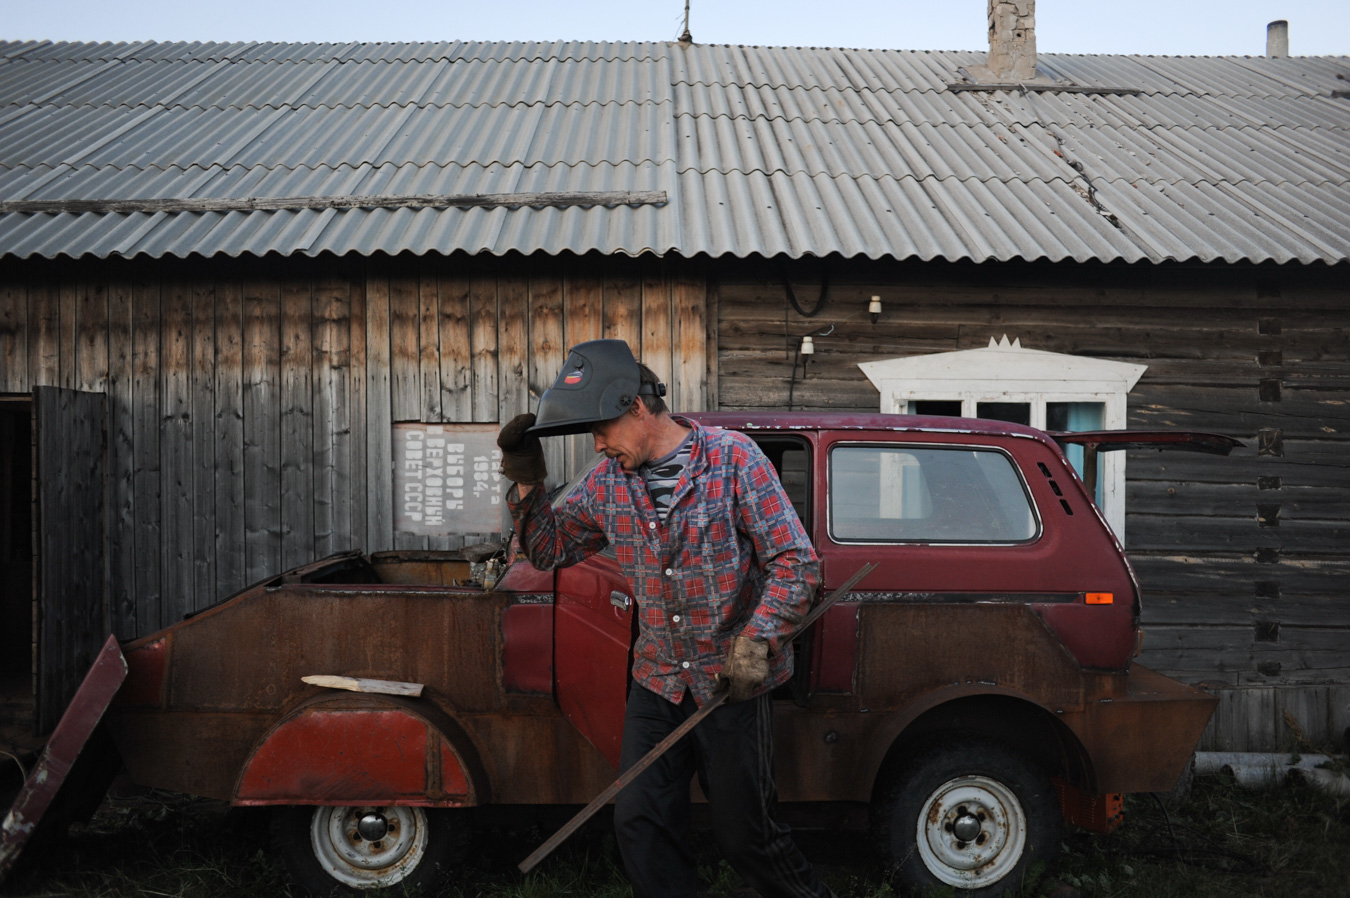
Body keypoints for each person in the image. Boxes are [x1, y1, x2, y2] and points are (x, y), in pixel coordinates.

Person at [497, 339, 833, 898]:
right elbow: (548, 549)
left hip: (731, 681)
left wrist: (758, 640)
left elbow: (794, 561)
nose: (599, 445)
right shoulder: (608, 485)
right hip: (656, 681)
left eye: (602, 430)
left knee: (746, 835)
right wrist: (527, 475)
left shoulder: (734, 460)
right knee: (640, 826)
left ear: (635, 406)